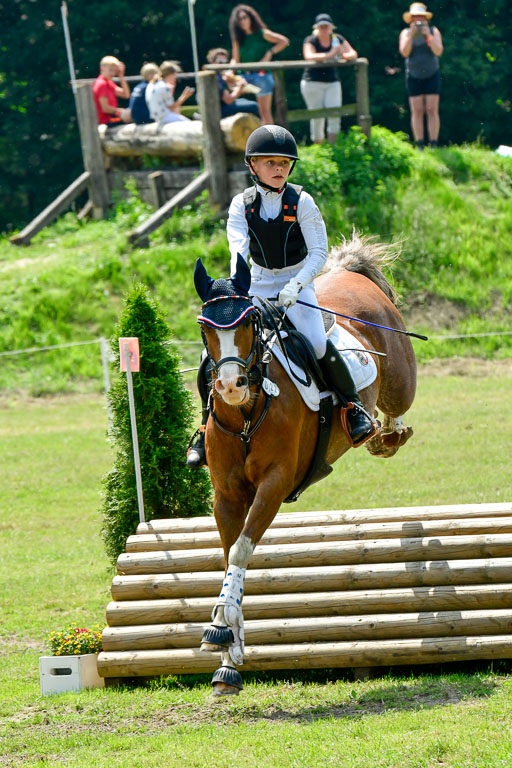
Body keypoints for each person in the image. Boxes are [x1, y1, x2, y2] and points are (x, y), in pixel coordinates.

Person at [186, 125, 376, 467]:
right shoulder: (240, 205)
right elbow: (238, 250)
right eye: (270, 162)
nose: (278, 169)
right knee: (209, 354)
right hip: (255, 283)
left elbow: (319, 252)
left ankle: (353, 409)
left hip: (297, 279)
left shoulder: (302, 202)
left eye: (285, 163)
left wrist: (296, 286)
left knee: (317, 344)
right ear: (252, 166)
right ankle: (204, 427)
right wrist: (238, 286)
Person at [301, 13, 358, 144]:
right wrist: (330, 54)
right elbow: (309, 55)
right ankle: (319, 150)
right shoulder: (311, 40)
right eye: (321, 26)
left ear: (331, 27)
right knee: (317, 117)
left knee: (334, 114)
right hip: (312, 82)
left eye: (327, 26)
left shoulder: (337, 39)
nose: (324, 29)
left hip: (332, 82)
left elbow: (353, 53)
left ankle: (333, 149)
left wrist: (343, 55)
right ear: (317, 28)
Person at [229, 5, 289, 125]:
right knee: (226, 86)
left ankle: (270, 140)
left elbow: (284, 41)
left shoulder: (262, 33)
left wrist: (269, 53)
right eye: (239, 19)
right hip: (244, 77)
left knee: (264, 112)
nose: (242, 21)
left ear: (251, 18)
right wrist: (230, 71)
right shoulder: (238, 38)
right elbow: (235, 59)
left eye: (244, 17)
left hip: (261, 75)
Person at [399, 2, 443, 149]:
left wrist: (428, 35)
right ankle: (420, 143)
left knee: (432, 109)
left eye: (421, 17)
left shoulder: (433, 31)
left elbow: (438, 51)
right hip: (413, 74)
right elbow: (405, 52)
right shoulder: (405, 33)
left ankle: (434, 143)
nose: (418, 20)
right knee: (417, 110)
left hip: (432, 73)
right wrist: (412, 35)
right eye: (415, 17)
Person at [206, 48, 260, 119]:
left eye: (225, 62)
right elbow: (229, 100)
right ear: (212, 62)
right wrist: (240, 87)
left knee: (244, 101)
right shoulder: (215, 78)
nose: (223, 64)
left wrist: (233, 82)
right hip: (216, 112)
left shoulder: (217, 75)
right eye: (220, 62)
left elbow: (228, 94)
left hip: (217, 108)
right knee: (254, 106)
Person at [145, 61, 195, 125]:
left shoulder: (152, 84)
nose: (175, 79)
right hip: (165, 117)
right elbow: (172, 107)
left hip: (157, 118)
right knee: (190, 124)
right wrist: (185, 96)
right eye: (174, 76)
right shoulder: (164, 87)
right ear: (170, 75)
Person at [92, 56, 130, 127]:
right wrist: (122, 111)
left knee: (132, 114)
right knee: (131, 115)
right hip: (107, 121)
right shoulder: (102, 84)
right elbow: (105, 108)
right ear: (102, 69)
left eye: (115, 71)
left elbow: (126, 95)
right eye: (110, 70)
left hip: (112, 118)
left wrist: (121, 76)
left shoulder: (108, 82)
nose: (113, 74)